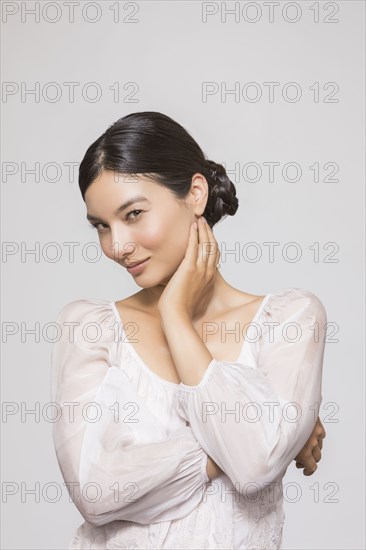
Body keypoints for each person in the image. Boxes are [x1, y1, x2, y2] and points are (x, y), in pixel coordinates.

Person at [51, 111, 327, 549]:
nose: (117, 245)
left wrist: (176, 317)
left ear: (195, 193)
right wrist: (258, 437)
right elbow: (96, 495)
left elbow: (254, 466)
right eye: (102, 226)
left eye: (134, 213)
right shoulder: (90, 330)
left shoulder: (289, 322)